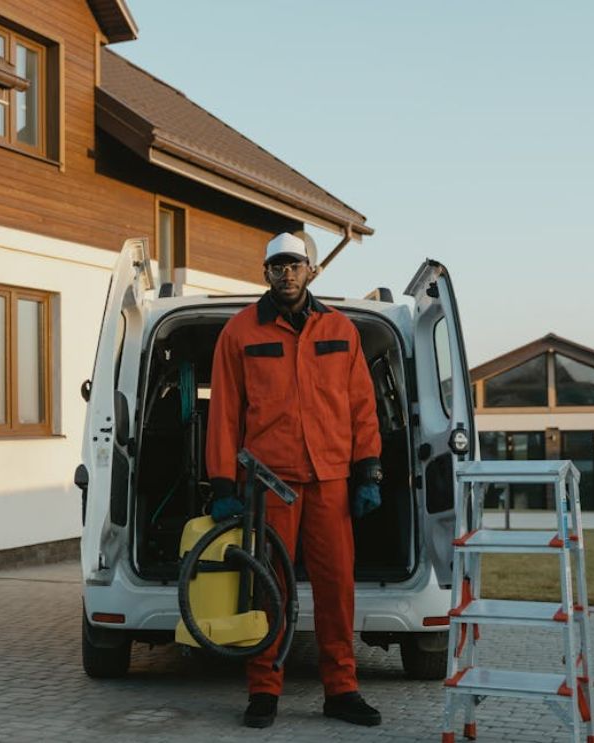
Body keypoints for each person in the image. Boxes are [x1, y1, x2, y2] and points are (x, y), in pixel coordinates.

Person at [205, 231, 384, 729]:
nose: (286, 274)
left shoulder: (341, 330)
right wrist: (222, 484)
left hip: (330, 480)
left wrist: (368, 469)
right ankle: (264, 690)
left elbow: (362, 407)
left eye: (295, 265)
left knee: (335, 588)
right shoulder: (240, 333)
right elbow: (223, 413)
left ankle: (342, 689)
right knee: (270, 587)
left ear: (311, 270)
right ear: (265, 272)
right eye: (277, 266)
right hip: (268, 485)